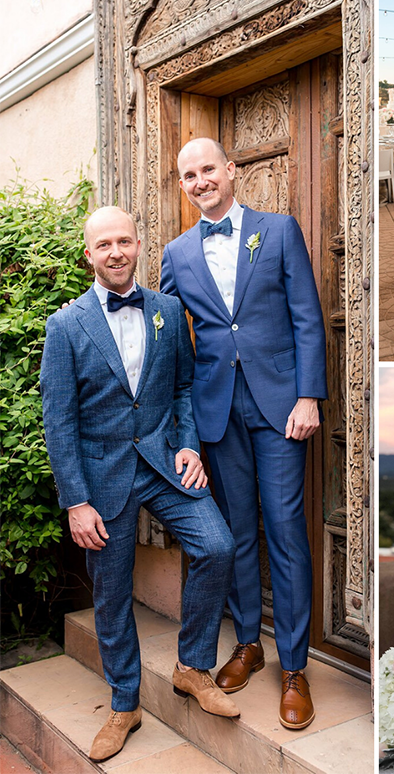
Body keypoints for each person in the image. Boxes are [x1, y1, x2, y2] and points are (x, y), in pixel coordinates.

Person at [41, 206, 240, 763]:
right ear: (90, 255)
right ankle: (124, 702)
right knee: (110, 590)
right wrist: (76, 501)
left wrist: (187, 444)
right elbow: (59, 422)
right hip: (101, 480)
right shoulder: (66, 326)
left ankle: (191, 667)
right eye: (103, 245)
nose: (116, 253)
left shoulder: (168, 311)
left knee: (217, 545)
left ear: (137, 245)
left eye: (124, 241)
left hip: (162, 462)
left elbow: (182, 387)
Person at [160, 138, 327, 730]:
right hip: (217, 412)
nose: (200, 180)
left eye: (209, 169)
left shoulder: (278, 230)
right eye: (189, 175)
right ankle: (248, 646)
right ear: (181, 185)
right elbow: (167, 338)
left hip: (282, 407)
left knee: (284, 528)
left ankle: (294, 666)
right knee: (235, 533)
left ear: (231, 171)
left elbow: (308, 316)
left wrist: (309, 395)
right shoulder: (176, 253)